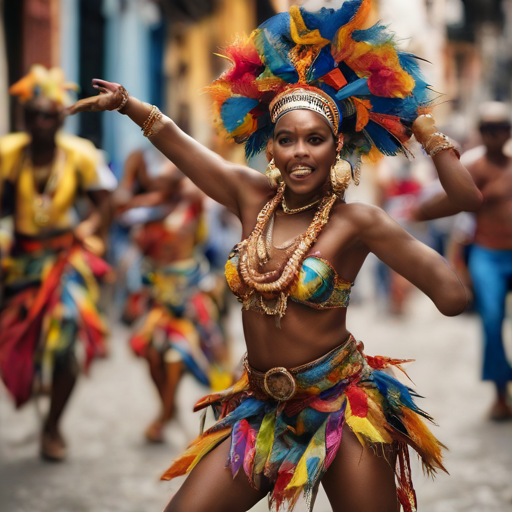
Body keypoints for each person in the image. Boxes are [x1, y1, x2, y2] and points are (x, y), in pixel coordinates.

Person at [68, 2, 482, 510]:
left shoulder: (357, 223)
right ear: (271, 148)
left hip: (340, 409)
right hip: (262, 409)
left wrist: (430, 136)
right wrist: (127, 105)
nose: (300, 152)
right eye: (287, 139)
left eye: (315, 139)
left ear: (337, 147)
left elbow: (455, 297)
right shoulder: (250, 198)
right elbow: (179, 145)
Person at [0, 65, 114, 461]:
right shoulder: (9, 154)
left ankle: (52, 426)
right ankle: (27, 379)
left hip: (65, 258)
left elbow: (105, 203)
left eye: (51, 115)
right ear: (25, 118)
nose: (43, 122)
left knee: (67, 332)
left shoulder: (79, 155)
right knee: (12, 338)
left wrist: (91, 227)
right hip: (19, 261)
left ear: (61, 117)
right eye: (35, 115)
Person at [114, 150, 230, 443]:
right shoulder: (144, 214)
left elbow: (197, 183)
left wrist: (170, 179)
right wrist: (131, 176)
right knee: (152, 353)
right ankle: (166, 410)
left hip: (192, 297)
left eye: (165, 181)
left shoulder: (190, 201)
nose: (158, 186)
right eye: (154, 182)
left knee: (178, 353)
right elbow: (119, 207)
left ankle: (165, 415)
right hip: (158, 298)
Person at [412, 101, 512, 421]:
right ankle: (500, 393)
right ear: (480, 133)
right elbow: (453, 201)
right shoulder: (474, 165)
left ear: (508, 132)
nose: (494, 135)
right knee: (492, 320)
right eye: (487, 129)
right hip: (486, 254)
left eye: (500, 129)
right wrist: (420, 211)